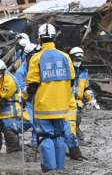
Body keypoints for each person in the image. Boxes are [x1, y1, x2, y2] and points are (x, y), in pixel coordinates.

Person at [26, 23, 75, 172]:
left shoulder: (36, 58)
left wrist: (26, 95)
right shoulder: (65, 57)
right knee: (59, 136)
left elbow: (32, 85)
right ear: (54, 37)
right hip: (62, 107)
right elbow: (72, 79)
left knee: (44, 136)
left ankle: (50, 169)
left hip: (44, 107)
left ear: (40, 39)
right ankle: (59, 169)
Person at [15, 43, 38, 148]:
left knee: (38, 123)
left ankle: (35, 143)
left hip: (39, 99)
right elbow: (20, 89)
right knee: (28, 120)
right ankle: (12, 134)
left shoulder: (38, 66)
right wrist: (29, 90)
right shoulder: (21, 71)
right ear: (28, 56)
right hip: (28, 100)